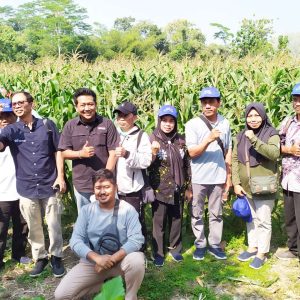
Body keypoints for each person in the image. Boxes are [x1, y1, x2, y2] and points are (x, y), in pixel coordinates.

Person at [0, 91, 66, 278]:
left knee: (54, 224)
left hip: (49, 183)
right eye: (14, 104)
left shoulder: (46, 125)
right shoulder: (11, 130)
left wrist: (61, 176)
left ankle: (56, 257)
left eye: (21, 102)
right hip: (27, 187)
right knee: (34, 226)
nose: (18, 106)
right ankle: (41, 258)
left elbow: (58, 151)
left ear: (31, 103)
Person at [54, 169, 145, 300]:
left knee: (137, 260)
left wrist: (111, 259)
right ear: (93, 190)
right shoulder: (86, 211)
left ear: (115, 188)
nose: (102, 191)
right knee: (61, 295)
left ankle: (131, 295)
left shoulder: (128, 210)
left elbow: (136, 239)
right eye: (98, 188)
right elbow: (75, 241)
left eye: (107, 187)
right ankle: (102, 282)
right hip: (93, 263)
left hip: (121, 261)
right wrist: (97, 259)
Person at [185, 86, 232, 260]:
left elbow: (228, 150)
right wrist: (208, 140)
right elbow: (192, 152)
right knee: (196, 212)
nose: (207, 106)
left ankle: (214, 244)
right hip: (199, 177)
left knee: (216, 212)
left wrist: (229, 176)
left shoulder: (225, 123)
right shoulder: (192, 124)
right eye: (204, 102)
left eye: (211, 102)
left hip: (218, 175)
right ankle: (200, 244)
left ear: (218, 103)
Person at [232, 102, 280, 269]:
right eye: (249, 116)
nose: (253, 119)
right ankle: (253, 247)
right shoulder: (240, 136)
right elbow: (235, 160)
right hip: (246, 186)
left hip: (264, 186)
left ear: (263, 116)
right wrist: (236, 183)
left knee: (264, 220)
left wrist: (254, 139)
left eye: (256, 115)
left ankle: (262, 253)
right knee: (250, 218)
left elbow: (274, 153)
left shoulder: (271, 134)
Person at [58, 88, 119, 212]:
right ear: (76, 107)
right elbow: (63, 152)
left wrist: (105, 178)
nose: (87, 108)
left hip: (104, 183)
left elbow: (114, 153)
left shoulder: (107, 124)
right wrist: (81, 153)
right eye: (83, 105)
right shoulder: (70, 126)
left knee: (108, 218)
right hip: (82, 183)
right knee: (86, 218)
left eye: (90, 104)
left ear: (96, 105)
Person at [149, 105, 191, 267]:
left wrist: (188, 187)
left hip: (178, 188)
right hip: (159, 187)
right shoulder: (152, 139)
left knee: (176, 219)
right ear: (159, 121)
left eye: (171, 121)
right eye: (164, 120)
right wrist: (153, 152)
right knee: (158, 222)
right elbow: (146, 164)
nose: (168, 124)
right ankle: (158, 252)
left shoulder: (181, 140)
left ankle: (175, 249)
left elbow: (187, 164)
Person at [113, 101, 152, 243]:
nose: (121, 119)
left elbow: (146, 161)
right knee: (118, 222)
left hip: (132, 189)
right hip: (115, 189)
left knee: (135, 221)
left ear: (134, 117)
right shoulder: (114, 134)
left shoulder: (141, 136)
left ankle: (139, 250)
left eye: (125, 115)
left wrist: (127, 154)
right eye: (118, 116)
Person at [0, 98, 29, 269]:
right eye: (0, 116)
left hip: (21, 190)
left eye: (8, 115)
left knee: (22, 226)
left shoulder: (22, 134)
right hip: (2, 192)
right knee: (1, 228)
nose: (4, 119)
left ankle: (19, 255)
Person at [276, 83, 300, 261]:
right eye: (295, 99)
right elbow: (275, 144)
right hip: (288, 178)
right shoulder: (287, 122)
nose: (298, 103)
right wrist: (289, 149)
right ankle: (293, 249)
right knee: (290, 216)